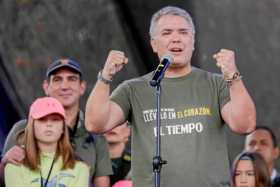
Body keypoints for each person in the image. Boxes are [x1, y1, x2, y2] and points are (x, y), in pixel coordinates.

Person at [85, 6, 256, 186]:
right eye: (167, 33)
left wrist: (233, 77)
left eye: (183, 32)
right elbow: (95, 123)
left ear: (193, 41)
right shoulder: (133, 89)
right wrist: (105, 77)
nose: (176, 38)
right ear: (153, 44)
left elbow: (245, 124)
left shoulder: (216, 83)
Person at [1, 59, 112, 187]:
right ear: (46, 87)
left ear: (82, 87)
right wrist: (4, 163)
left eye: (72, 79)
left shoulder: (96, 136)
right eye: (57, 80)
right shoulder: (21, 129)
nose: (64, 86)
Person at [5, 97, 90, 187]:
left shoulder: (81, 168)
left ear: (62, 128)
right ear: (31, 126)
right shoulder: (15, 166)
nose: (49, 124)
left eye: (55, 120)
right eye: (42, 119)